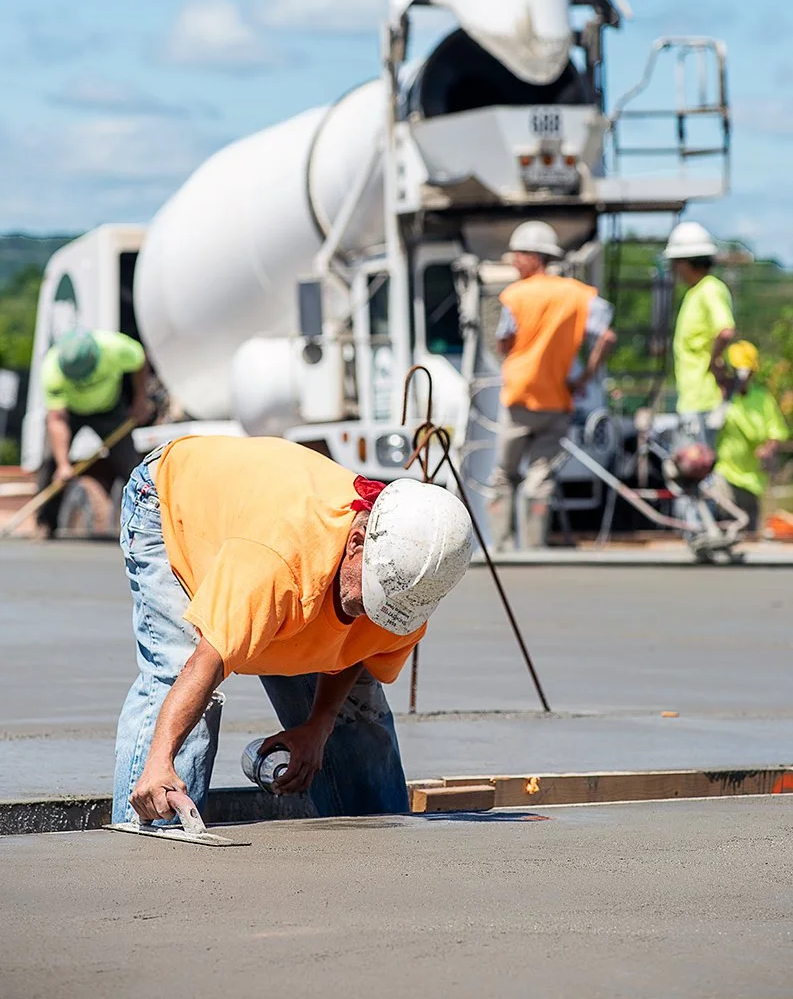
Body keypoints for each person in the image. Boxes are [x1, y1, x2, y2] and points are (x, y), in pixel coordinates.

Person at [113, 436, 473, 824]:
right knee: (178, 681)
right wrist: (160, 759)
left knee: (358, 711)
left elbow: (357, 649)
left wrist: (319, 726)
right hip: (172, 501)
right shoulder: (275, 565)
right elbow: (204, 664)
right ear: (356, 543)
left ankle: (372, 833)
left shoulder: (408, 592)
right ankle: (152, 820)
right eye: (373, 594)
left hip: (274, 540)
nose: (375, 612)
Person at [488, 221, 616, 551]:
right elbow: (607, 336)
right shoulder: (578, 295)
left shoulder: (515, 295)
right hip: (558, 399)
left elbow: (503, 343)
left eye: (518, 254)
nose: (514, 261)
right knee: (541, 476)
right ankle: (534, 550)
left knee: (504, 474)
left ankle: (503, 549)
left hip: (519, 397)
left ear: (534, 257)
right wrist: (585, 378)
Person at [36, 329, 150, 538]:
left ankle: (142, 527)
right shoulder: (52, 370)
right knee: (50, 462)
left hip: (109, 408)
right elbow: (57, 420)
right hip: (71, 412)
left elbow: (140, 361)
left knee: (130, 465)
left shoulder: (115, 348)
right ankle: (45, 523)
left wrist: (140, 399)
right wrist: (63, 465)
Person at [664, 222, 736, 448]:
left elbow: (725, 330)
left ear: (687, 262)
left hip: (704, 400)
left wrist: (714, 361)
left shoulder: (709, 289)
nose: (675, 269)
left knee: (696, 462)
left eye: (676, 263)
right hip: (693, 398)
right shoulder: (695, 292)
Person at [710, 341, 788, 534]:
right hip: (724, 472)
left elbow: (777, 432)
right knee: (724, 522)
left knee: (749, 529)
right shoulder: (718, 397)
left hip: (753, 479)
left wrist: (768, 449)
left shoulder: (762, 399)